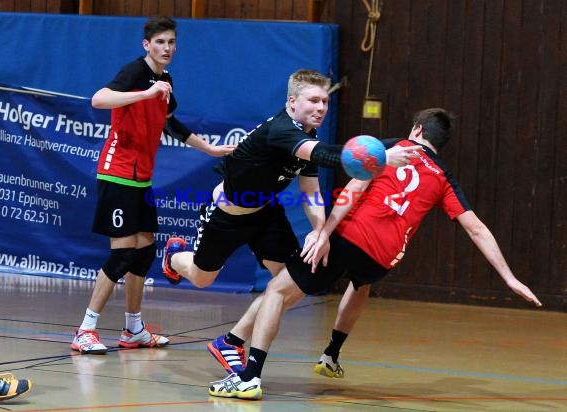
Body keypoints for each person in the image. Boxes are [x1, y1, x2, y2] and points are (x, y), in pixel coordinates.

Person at [207, 107, 542, 400]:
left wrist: (323, 233)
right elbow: (477, 228)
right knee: (360, 283)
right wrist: (509, 278)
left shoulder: (388, 148)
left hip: (351, 238)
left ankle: (249, 377)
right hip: (384, 258)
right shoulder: (444, 178)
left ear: (418, 131)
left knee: (277, 291)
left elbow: (353, 190)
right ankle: (331, 354)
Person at [162, 69, 418, 371]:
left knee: (287, 283)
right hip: (227, 215)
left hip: (266, 214)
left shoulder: (308, 135)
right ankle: (174, 257)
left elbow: (310, 190)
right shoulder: (282, 130)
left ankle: (230, 342)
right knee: (202, 278)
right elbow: (325, 156)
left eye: (325, 101)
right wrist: (381, 158)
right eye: (313, 100)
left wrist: (320, 231)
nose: (321, 107)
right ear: (292, 102)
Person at [71, 16, 235, 355]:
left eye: (172, 42)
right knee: (122, 255)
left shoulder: (166, 80)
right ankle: (85, 329)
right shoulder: (135, 73)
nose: (167, 48)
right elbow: (98, 100)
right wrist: (145, 92)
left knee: (144, 252)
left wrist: (209, 148)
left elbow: (170, 122)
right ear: (147, 45)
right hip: (117, 173)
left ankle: (133, 329)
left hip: (141, 177)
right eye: (160, 42)